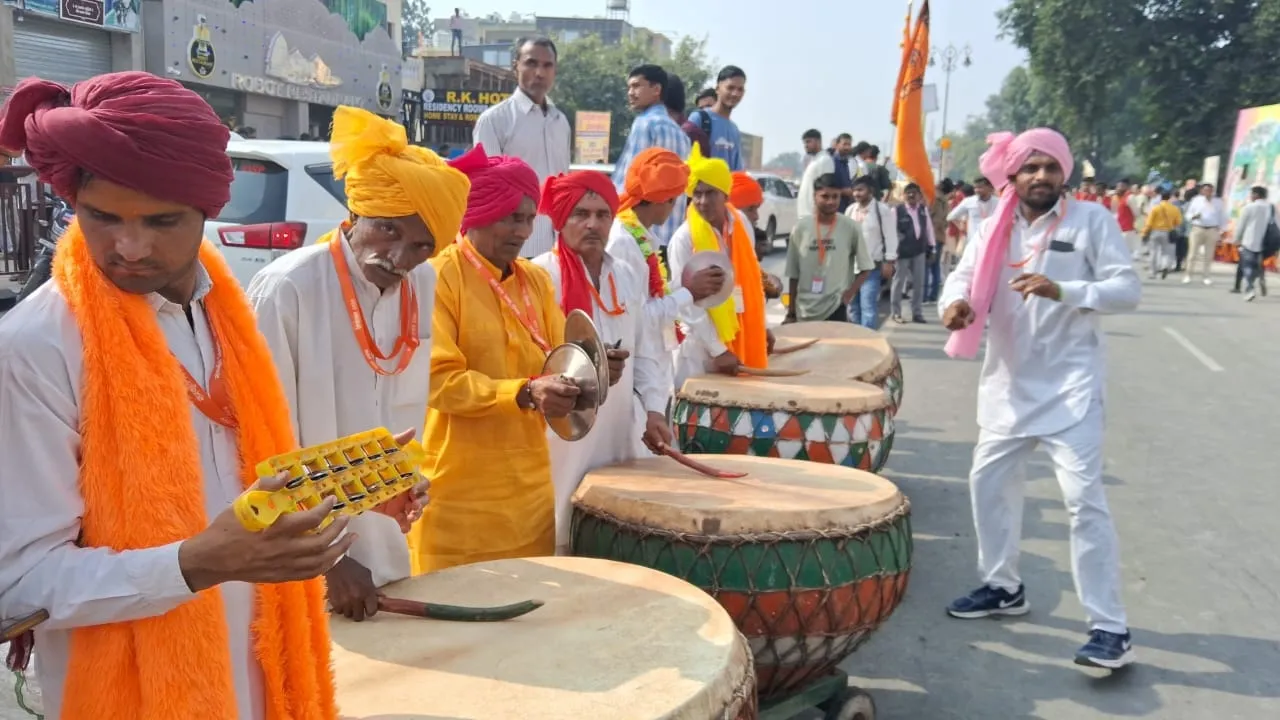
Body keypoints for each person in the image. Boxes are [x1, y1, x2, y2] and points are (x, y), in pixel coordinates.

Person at [0, 72, 347, 718]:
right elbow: (19, 584)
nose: (129, 248)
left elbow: (241, 488)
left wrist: (355, 483)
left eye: (161, 222)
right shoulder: (38, 347)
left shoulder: (226, 317)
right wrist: (193, 564)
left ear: (207, 211)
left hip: (261, 684)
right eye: (103, 218)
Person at [246, 106, 462, 620]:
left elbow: (398, 414)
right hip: (306, 552)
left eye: (421, 246)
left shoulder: (422, 283)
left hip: (386, 539)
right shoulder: (289, 288)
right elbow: (263, 437)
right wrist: (330, 558)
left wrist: (407, 479)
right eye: (387, 230)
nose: (399, 257)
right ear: (354, 215)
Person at [938, 128, 1140, 669]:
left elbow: (1127, 290)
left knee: (1083, 504)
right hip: (1008, 385)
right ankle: (1003, 587)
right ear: (1013, 174)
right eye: (1030, 168)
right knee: (987, 485)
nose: (1041, 177)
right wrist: (953, 307)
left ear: (1065, 172)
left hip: (1071, 387)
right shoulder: (989, 227)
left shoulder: (1091, 221)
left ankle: (1109, 626)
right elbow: (959, 280)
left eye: (1051, 167)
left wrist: (1064, 290)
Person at [406, 146, 575, 574]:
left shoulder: (535, 279)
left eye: (527, 218)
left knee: (526, 617)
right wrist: (522, 392)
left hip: (530, 491)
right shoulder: (438, 275)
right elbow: (438, 380)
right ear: (478, 212)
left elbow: (558, 358)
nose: (521, 231)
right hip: (459, 495)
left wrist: (592, 369)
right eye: (509, 217)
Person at [532, 171, 669, 549]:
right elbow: (531, 362)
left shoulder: (626, 273)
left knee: (616, 526)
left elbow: (646, 350)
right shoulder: (541, 275)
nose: (592, 224)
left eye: (602, 214)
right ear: (560, 220)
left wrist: (655, 410)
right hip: (564, 437)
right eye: (580, 214)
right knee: (561, 528)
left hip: (619, 428)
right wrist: (587, 371)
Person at [606, 147, 724, 392]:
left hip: (653, 364)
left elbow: (651, 299)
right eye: (675, 199)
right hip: (635, 373)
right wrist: (688, 292)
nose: (674, 207)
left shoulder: (641, 236)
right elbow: (637, 318)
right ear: (665, 200)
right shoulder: (623, 241)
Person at [668, 144, 772, 388]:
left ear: (725, 195)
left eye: (710, 193)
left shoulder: (741, 223)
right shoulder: (684, 239)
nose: (702, 201)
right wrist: (717, 350)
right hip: (700, 348)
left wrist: (762, 327)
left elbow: (752, 280)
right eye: (697, 193)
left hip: (741, 334)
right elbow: (685, 303)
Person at [473, 37, 571, 258]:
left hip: (556, 248)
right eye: (531, 63)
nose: (540, 73)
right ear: (515, 65)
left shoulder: (560, 122)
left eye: (547, 65)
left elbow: (563, 182)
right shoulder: (494, 120)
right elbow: (488, 191)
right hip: (514, 250)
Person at [612, 64, 691, 254]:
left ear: (656, 90)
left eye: (637, 86)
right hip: (669, 235)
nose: (631, 93)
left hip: (639, 235)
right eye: (629, 87)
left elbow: (629, 183)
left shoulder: (644, 124)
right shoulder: (682, 136)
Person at [784, 173, 873, 323]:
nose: (831, 201)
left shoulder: (850, 227)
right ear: (814, 196)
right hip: (804, 310)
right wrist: (791, 312)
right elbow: (794, 274)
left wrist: (847, 296)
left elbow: (866, 268)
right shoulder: (801, 228)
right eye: (825, 196)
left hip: (835, 307)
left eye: (835, 196)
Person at [845, 175, 899, 328]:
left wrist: (889, 262)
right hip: (851, 268)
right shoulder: (850, 210)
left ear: (871, 191)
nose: (856, 194)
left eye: (860, 190)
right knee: (852, 306)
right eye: (854, 190)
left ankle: (868, 342)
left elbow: (890, 237)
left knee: (868, 307)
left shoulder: (882, 210)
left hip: (871, 267)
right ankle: (857, 340)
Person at [890, 182, 936, 324]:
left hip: (919, 250)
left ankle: (917, 313)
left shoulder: (923, 210)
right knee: (898, 282)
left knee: (919, 283)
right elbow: (891, 232)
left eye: (914, 192)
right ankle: (896, 313)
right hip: (902, 251)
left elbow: (928, 229)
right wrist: (891, 252)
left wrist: (932, 247)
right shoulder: (897, 211)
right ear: (903, 195)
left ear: (919, 196)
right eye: (908, 192)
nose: (911, 195)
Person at [686, 66, 746, 170]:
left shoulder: (734, 129)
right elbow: (685, 160)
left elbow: (737, 172)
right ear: (718, 89)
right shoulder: (699, 119)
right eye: (730, 88)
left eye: (740, 89)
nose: (735, 93)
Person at [1231, 185, 1273, 301]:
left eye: (1251, 194)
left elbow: (1241, 225)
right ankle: (1260, 278)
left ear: (1256, 195)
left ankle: (1250, 288)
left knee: (1247, 265)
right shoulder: (1271, 208)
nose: (1250, 196)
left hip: (1250, 241)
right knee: (1258, 265)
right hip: (1266, 243)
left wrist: (1236, 239)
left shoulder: (1249, 207)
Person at [1184, 183, 1224, 285]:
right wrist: (1193, 217)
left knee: (1209, 254)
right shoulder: (1196, 200)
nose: (1208, 192)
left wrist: (1221, 230)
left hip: (1212, 229)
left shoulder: (1218, 202)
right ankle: (1188, 275)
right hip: (1198, 228)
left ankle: (1206, 276)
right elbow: (1188, 214)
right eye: (1205, 190)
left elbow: (1222, 216)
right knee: (1192, 253)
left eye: (1209, 190)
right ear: (1202, 191)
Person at [1141, 189, 1182, 280]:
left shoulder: (1155, 208)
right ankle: (1165, 266)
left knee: (1153, 253)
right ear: (1169, 197)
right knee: (1166, 252)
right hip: (1168, 232)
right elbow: (1179, 222)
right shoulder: (1174, 209)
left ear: (1161, 198)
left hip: (1155, 232)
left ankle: (1153, 272)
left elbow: (1149, 222)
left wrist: (1144, 233)